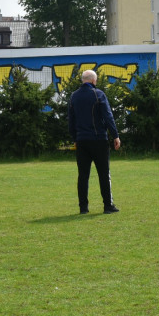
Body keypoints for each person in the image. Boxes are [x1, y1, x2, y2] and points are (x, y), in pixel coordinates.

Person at [67, 69, 121, 214]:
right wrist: (115, 135)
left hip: (82, 141)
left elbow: (71, 121)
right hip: (98, 140)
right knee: (104, 173)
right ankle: (107, 206)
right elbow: (108, 116)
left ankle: (83, 207)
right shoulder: (99, 94)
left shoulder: (73, 97)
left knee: (83, 175)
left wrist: (75, 138)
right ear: (93, 81)